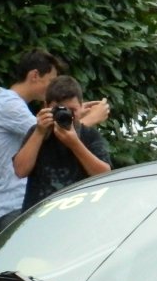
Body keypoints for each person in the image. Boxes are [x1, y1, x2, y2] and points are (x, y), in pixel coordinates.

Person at [0, 49, 109, 231]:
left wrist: (75, 113)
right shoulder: (8, 105)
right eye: (50, 81)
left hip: (33, 207)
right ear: (35, 75)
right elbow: (56, 134)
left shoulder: (8, 102)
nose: (52, 87)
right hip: (16, 206)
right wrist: (90, 118)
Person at [20, 75, 113, 209]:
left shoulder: (89, 135)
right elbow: (20, 171)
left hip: (79, 213)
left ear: (81, 108)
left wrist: (75, 144)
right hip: (39, 214)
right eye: (59, 110)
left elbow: (104, 175)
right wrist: (39, 132)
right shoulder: (38, 132)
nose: (66, 115)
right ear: (46, 107)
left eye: (72, 110)